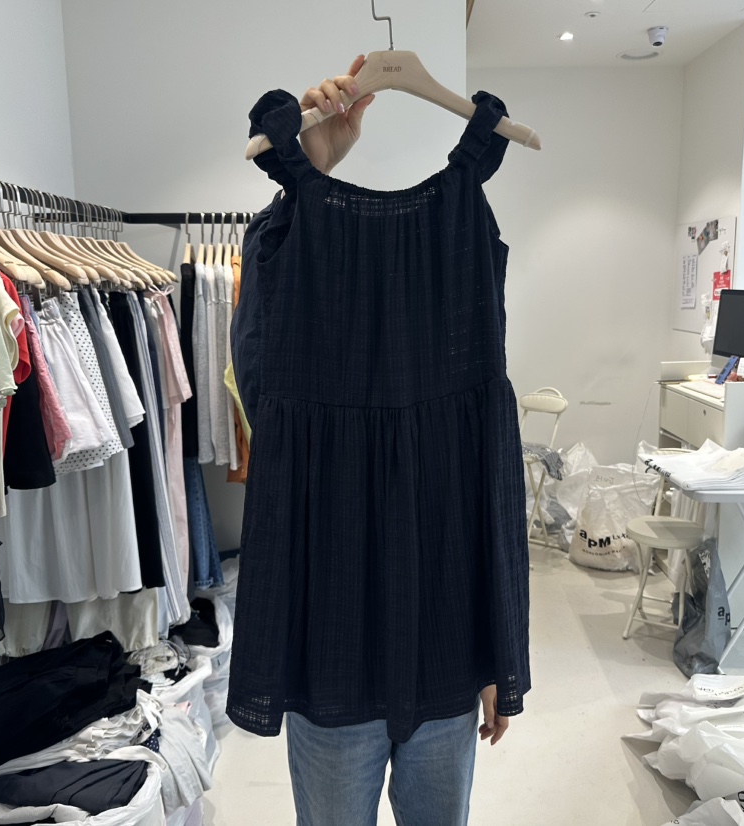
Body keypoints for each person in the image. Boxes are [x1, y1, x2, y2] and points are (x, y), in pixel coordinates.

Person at [232, 56, 523, 826]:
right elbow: (261, 383)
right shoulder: (288, 239)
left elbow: (489, 481)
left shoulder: (467, 225)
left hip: (449, 632)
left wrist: (496, 652)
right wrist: (313, 172)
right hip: (331, 637)